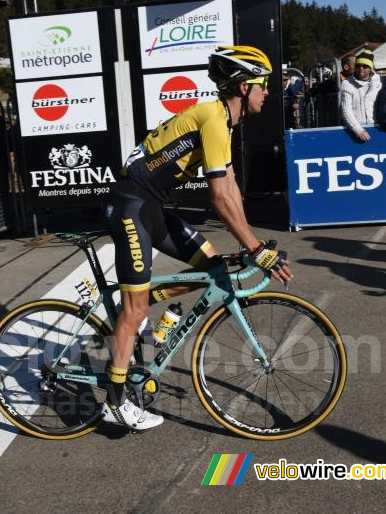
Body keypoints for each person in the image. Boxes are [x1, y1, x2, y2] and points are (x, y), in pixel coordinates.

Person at [101, 45, 293, 430]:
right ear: (242, 87)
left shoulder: (223, 121)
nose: (268, 91)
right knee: (135, 309)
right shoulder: (213, 119)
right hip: (131, 206)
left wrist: (250, 242)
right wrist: (255, 248)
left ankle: (148, 311)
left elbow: (232, 188)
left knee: (212, 270)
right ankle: (115, 400)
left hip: (153, 206)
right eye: (263, 84)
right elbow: (219, 198)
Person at [339, 50, 382, 141]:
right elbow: (346, 111)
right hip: (355, 132)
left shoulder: (379, 82)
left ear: (370, 68)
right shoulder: (347, 84)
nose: (361, 68)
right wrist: (358, 130)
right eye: (358, 65)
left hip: (377, 128)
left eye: (365, 66)